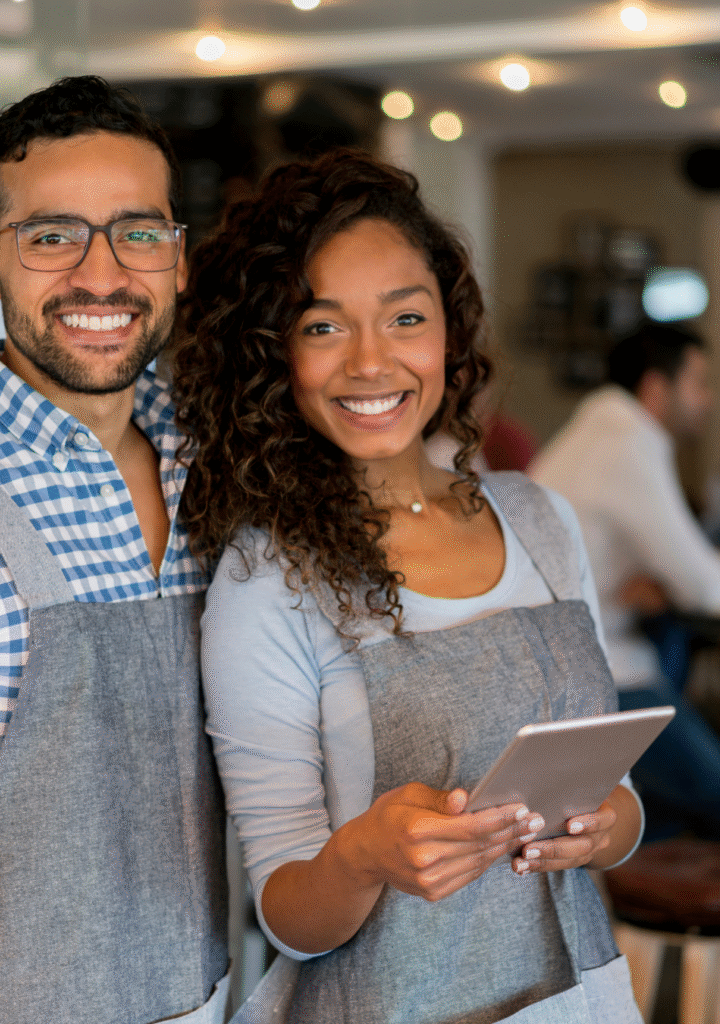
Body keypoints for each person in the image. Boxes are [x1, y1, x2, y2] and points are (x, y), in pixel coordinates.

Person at [171, 149, 644, 1023]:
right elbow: (286, 912)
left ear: (449, 333)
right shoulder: (265, 579)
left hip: (576, 997)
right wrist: (361, 858)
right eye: (321, 326)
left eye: (403, 318)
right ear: (272, 354)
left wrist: (612, 826)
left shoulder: (539, 518)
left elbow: (605, 782)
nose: (369, 362)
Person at [0, 76, 229, 1023]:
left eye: (137, 232)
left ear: (177, 258)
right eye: (51, 236)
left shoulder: (214, 466)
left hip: (203, 995)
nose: (100, 274)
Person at [531, 323, 720, 841]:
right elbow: (702, 586)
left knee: (671, 810)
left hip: (578, 654)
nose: (706, 401)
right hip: (597, 671)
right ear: (657, 390)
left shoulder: (596, 432)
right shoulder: (628, 442)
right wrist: (673, 580)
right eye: (699, 383)